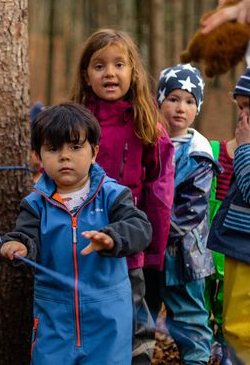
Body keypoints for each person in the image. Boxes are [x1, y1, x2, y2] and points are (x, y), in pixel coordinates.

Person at [0, 103, 152, 365]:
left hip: (108, 317)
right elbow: (26, 236)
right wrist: (19, 246)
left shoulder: (113, 195)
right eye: (53, 148)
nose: (64, 156)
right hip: (54, 318)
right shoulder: (35, 203)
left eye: (75, 147)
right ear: (38, 156)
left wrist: (112, 237)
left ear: (94, 152)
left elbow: (141, 227)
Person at [70, 28, 175, 364]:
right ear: (86, 74)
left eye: (119, 64)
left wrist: (156, 249)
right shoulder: (75, 122)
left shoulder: (146, 125)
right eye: (99, 66)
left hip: (130, 247)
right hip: (79, 242)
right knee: (86, 317)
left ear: (133, 71)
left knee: (132, 319)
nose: (110, 73)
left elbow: (159, 190)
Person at [145, 64, 220, 364]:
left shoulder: (198, 153)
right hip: (147, 252)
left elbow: (191, 209)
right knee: (141, 314)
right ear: (159, 101)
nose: (180, 108)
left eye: (189, 101)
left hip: (184, 256)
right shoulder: (149, 142)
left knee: (189, 319)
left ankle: (197, 360)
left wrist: (153, 235)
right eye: (173, 98)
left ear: (197, 108)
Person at [204, 67, 250, 362]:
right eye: (241, 107)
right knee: (233, 326)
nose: (243, 117)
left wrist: (245, 147)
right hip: (239, 248)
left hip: (249, 253)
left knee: (245, 332)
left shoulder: (248, 145)